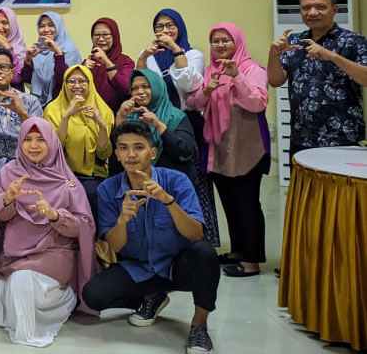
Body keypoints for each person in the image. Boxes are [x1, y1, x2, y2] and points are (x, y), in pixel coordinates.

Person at [82, 121, 219, 354]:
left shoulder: (176, 181)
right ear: (117, 154)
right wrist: (122, 220)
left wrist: (169, 202)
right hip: (138, 268)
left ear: (153, 152)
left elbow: (196, 233)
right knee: (93, 296)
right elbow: (115, 245)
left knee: (205, 254)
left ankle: (199, 326)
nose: (131, 154)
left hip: (176, 266)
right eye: (123, 148)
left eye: (139, 147)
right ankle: (152, 297)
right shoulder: (107, 189)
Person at [0, 119, 97, 347]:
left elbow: (83, 226)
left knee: (21, 282)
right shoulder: (9, 173)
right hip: (14, 251)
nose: (34, 145)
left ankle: (64, 298)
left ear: (52, 143)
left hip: (53, 250)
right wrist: (8, 199)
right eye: (28, 139)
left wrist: (55, 215)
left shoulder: (66, 180)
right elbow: (0, 218)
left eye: (40, 140)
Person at [187, 23, 271, 277]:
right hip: (219, 148)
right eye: (216, 41)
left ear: (238, 42)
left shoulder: (253, 69)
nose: (220, 45)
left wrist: (237, 77)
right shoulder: (211, 71)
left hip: (247, 147)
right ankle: (237, 251)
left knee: (247, 203)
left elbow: (258, 103)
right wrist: (207, 90)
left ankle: (251, 261)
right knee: (230, 202)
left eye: (226, 40)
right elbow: (194, 103)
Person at [116, 69, 220, 247]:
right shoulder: (130, 117)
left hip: (173, 188)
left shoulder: (175, 116)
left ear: (157, 87)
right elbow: (117, 153)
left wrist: (158, 125)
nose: (140, 92)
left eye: (146, 86)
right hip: (138, 189)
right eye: (135, 88)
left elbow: (185, 150)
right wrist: (120, 118)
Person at [268, 0, 367, 157]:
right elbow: (275, 81)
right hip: (301, 138)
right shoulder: (295, 41)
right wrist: (274, 54)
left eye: (320, 6)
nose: (312, 12)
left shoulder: (353, 40)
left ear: (334, 9)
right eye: (306, 8)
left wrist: (332, 56)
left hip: (343, 139)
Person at [43, 65, 113, 218]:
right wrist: (66, 116)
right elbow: (53, 150)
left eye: (82, 81)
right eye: (71, 81)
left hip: (93, 174)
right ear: (64, 84)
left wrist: (101, 125)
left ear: (90, 84)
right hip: (60, 172)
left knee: (92, 194)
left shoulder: (104, 110)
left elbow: (103, 154)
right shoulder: (52, 110)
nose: (77, 85)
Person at [137, 9, 204, 110]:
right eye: (159, 27)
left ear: (179, 27)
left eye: (170, 25)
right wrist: (143, 57)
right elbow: (140, 85)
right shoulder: (148, 55)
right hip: (156, 114)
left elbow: (189, 86)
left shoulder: (193, 55)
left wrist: (175, 48)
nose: (165, 30)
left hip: (186, 115)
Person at [18, 11, 81, 106]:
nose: (46, 30)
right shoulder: (39, 51)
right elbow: (28, 81)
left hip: (62, 104)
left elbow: (64, 81)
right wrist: (28, 61)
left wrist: (58, 54)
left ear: (59, 27)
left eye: (51, 25)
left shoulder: (69, 51)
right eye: (42, 26)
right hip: (38, 104)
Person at [86, 17, 134, 111]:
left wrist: (107, 62)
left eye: (106, 35)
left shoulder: (125, 61)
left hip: (118, 114)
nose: (101, 39)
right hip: (90, 114)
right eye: (96, 35)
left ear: (115, 37)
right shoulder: (89, 62)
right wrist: (84, 70)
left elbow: (126, 89)